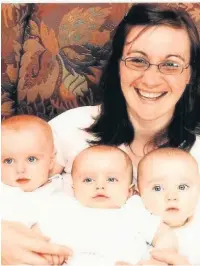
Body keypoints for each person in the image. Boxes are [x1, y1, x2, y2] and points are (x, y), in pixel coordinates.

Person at [2, 3, 200, 265]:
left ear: (189, 74)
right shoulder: (72, 128)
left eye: (171, 64)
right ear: (118, 65)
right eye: (138, 60)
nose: (151, 79)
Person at [3, 145, 177, 266]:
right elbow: (34, 237)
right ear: (74, 188)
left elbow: (164, 235)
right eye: (88, 180)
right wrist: (46, 253)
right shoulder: (61, 206)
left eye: (111, 179)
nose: (99, 186)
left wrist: (157, 260)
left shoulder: (134, 210)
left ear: (131, 191)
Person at [1, 114, 72, 264]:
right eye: (8, 161)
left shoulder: (63, 189)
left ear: (51, 161)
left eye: (31, 159)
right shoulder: (3, 191)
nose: (20, 169)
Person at [137, 147, 200, 265]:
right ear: (138, 192)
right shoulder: (135, 227)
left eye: (182, 187)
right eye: (158, 188)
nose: (172, 196)